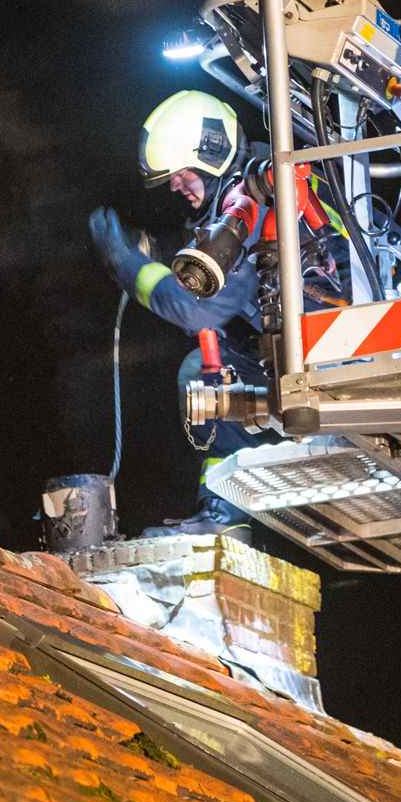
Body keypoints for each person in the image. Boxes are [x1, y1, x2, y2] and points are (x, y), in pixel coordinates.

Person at [87, 90, 273, 538]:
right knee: (208, 372)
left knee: (202, 371)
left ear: (212, 152)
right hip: (308, 351)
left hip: (346, 354)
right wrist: (152, 251)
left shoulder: (255, 202)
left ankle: (225, 516)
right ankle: (224, 510)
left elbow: (197, 309)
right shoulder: (246, 193)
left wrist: (128, 265)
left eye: (181, 173)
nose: (175, 186)